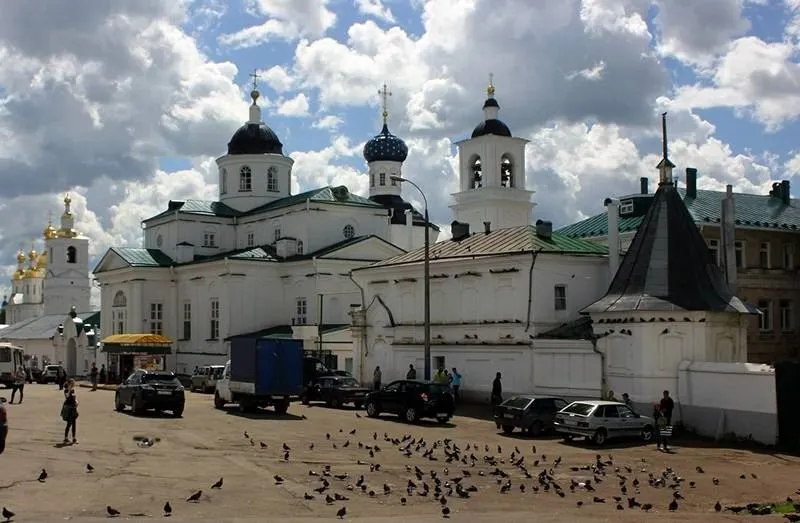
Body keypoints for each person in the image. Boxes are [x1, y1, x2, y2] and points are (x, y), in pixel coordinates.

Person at [61, 379, 79, 445]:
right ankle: (66, 438)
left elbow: (74, 398)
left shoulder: (73, 390)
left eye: (73, 383)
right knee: (69, 423)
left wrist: (77, 401)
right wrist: (69, 389)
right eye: (72, 383)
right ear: (69, 384)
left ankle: (74, 438)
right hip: (68, 408)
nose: (73, 385)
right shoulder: (66, 390)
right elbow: (67, 396)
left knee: (74, 423)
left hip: (74, 407)